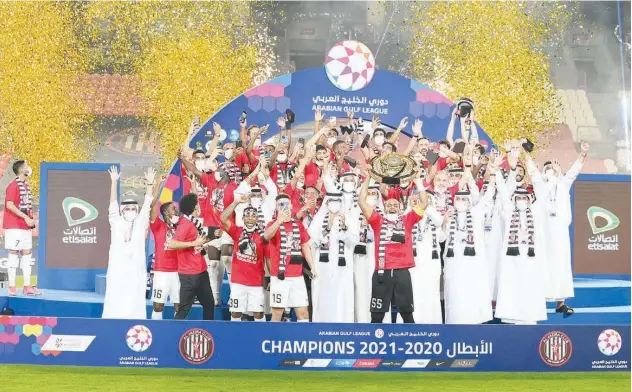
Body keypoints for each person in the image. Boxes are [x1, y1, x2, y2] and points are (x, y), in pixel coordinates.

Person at [525, 141, 590, 316]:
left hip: (560, 233)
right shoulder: (539, 184)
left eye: (552, 168)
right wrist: (526, 153)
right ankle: (537, 301)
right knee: (542, 264)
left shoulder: (563, 184)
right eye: (546, 168)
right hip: (542, 232)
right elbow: (531, 169)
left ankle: (561, 303)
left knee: (560, 265)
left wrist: (582, 154)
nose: (549, 170)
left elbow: (574, 171)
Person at [358, 173, 428, 324]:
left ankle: (411, 343)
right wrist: (368, 179)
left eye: (395, 205)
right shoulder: (377, 221)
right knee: (377, 316)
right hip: (382, 272)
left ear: (400, 207)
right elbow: (361, 202)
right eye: (388, 205)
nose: (391, 207)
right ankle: (373, 344)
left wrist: (419, 183)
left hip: (402, 272)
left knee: (407, 315)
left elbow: (423, 203)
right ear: (383, 207)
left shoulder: (407, 219)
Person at [494, 171, 547, 324]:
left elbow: (542, 193)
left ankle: (529, 318)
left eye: (525, 198)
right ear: (515, 200)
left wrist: (531, 166)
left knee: (530, 288)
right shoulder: (509, 212)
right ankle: (511, 317)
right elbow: (504, 192)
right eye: (519, 198)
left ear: (530, 200)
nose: (522, 201)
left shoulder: (536, 212)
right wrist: (497, 170)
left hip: (531, 260)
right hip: (512, 259)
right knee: (512, 288)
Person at [102, 166, 155, 319]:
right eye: (128, 208)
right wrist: (113, 182)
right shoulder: (116, 221)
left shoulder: (140, 223)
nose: (131, 210)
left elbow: (147, 204)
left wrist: (150, 184)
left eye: (133, 208)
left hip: (135, 270)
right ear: (122, 210)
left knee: (134, 298)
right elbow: (112, 204)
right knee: (115, 296)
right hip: (117, 269)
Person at [442, 184, 494, 325]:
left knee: (471, 295)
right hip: (453, 264)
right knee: (454, 296)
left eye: (463, 199)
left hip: (472, 264)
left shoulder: (476, 213)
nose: (460, 202)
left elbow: (488, 196)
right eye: (458, 198)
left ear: (469, 201)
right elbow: (441, 238)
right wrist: (444, 222)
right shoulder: (449, 216)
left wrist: (493, 176)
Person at [264, 194, 316, 322]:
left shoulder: (298, 225)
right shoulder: (272, 224)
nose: (284, 207)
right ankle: (272, 340)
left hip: (297, 276)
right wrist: (279, 221)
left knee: (303, 314)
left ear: (291, 206)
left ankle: (302, 340)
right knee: (277, 314)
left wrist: (313, 267)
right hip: (279, 276)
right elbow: (266, 236)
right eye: (280, 204)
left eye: (286, 204)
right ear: (276, 208)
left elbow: (304, 246)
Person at [308, 192, 355, 322]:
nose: (334, 204)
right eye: (331, 200)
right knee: (323, 297)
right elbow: (311, 242)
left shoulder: (348, 218)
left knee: (342, 298)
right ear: (327, 202)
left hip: (342, 266)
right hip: (323, 265)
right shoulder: (318, 219)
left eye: (337, 200)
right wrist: (327, 228)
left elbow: (353, 242)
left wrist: (344, 227)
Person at [168, 193, 215, 320]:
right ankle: (175, 337)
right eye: (198, 203)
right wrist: (194, 243)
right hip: (189, 274)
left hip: (200, 270)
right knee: (183, 310)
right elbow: (172, 244)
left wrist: (214, 235)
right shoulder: (185, 224)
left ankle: (208, 334)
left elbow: (197, 241)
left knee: (209, 304)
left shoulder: (191, 221)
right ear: (195, 207)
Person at [221, 195, 266, 322]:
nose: (250, 218)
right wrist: (235, 202)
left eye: (253, 216)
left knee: (258, 314)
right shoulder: (237, 231)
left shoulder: (263, 235)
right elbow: (223, 218)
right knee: (235, 313)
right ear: (243, 218)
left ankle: (260, 339)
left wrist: (268, 277)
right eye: (248, 215)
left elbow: (268, 258)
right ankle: (234, 339)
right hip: (238, 282)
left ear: (257, 219)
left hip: (256, 282)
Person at [2, 160, 39, 296]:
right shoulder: (13, 186)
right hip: (14, 226)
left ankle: (27, 286)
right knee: (13, 254)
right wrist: (25, 217)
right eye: (27, 165)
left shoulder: (26, 185)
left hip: (25, 227)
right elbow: (10, 205)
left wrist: (30, 218)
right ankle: (12, 286)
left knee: (27, 254)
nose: (29, 167)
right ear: (22, 169)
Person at [148, 179, 180, 320]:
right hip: (161, 271)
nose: (177, 210)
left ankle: (178, 333)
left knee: (179, 306)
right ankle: (156, 331)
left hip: (179, 271)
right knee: (158, 306)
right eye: (174, 208)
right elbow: (152, 204)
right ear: (166, 212)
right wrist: (158, 185)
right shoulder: (158, 225)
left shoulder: (181, 227)